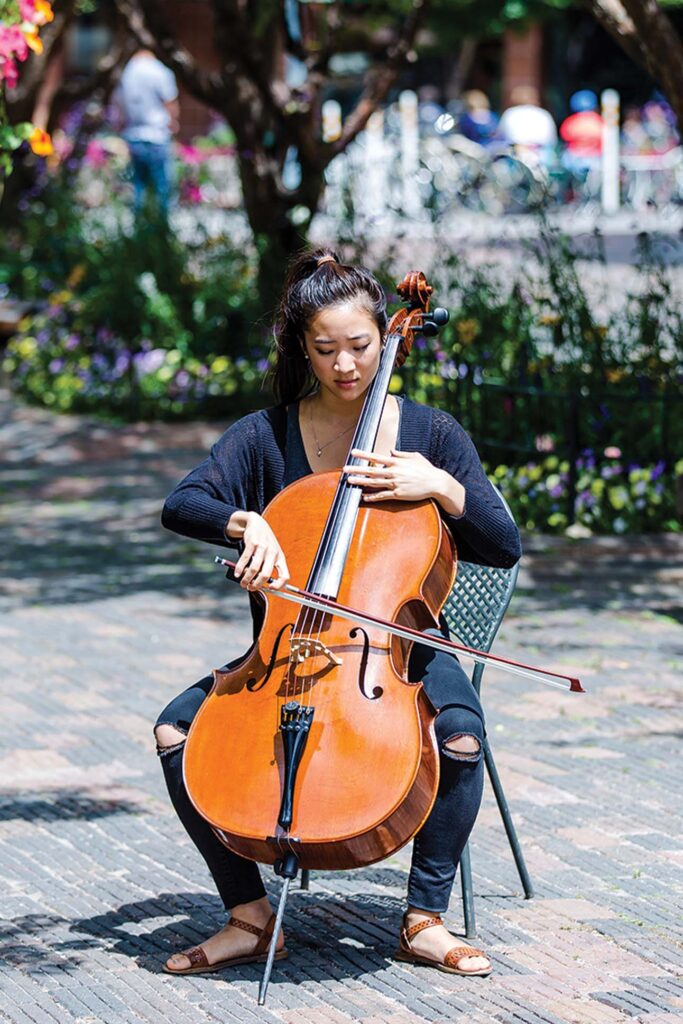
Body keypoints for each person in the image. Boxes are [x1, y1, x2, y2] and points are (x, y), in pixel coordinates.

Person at [155, 250, 522, 978]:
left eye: (359, 347)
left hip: (399, 651)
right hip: (287, 652)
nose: (345, 365)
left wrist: (440, 485)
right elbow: (181, 504)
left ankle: (422, 918)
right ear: (301, 348)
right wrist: (245, 523)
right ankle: (250, 918)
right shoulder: (265, 435)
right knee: (177, 732)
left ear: (387, 336)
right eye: (325, 350)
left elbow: (500, 545)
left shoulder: (431, 434)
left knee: (459, 740)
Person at [116, 48, 179, 215]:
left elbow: (119, 105)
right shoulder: (159, 70)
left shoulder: (127, 72)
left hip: (134, 134)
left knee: (138, 187)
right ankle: (161, 231)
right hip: (157, 135)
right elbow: (170, 101)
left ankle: (138, 229)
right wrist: (173, 122)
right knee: (162, 188)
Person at [498, 84, 557, 167]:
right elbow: (552, 139)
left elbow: (501, 135)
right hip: (542, 155)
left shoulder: (510, 113)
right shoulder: (543, 114)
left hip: (516, 155)